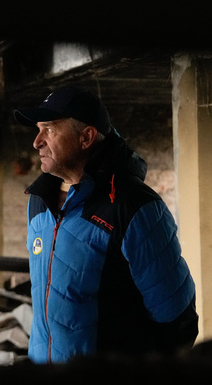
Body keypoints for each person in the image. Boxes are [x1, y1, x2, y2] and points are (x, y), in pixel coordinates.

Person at [14, 86, 198, 363]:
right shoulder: (39, 202)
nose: (37, 141)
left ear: (86, 137)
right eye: (38, 130)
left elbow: (176, 318)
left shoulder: (133, 206)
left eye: (49, 129)